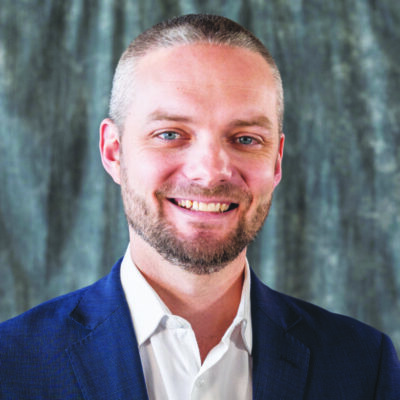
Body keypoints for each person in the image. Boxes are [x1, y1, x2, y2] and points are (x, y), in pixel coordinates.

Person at [0, 13, 399, 400]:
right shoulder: (11, 364)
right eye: (171, 134)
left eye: (245, 139)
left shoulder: (365, 365)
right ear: (113, 151)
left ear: (276, 161)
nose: (210, 173)